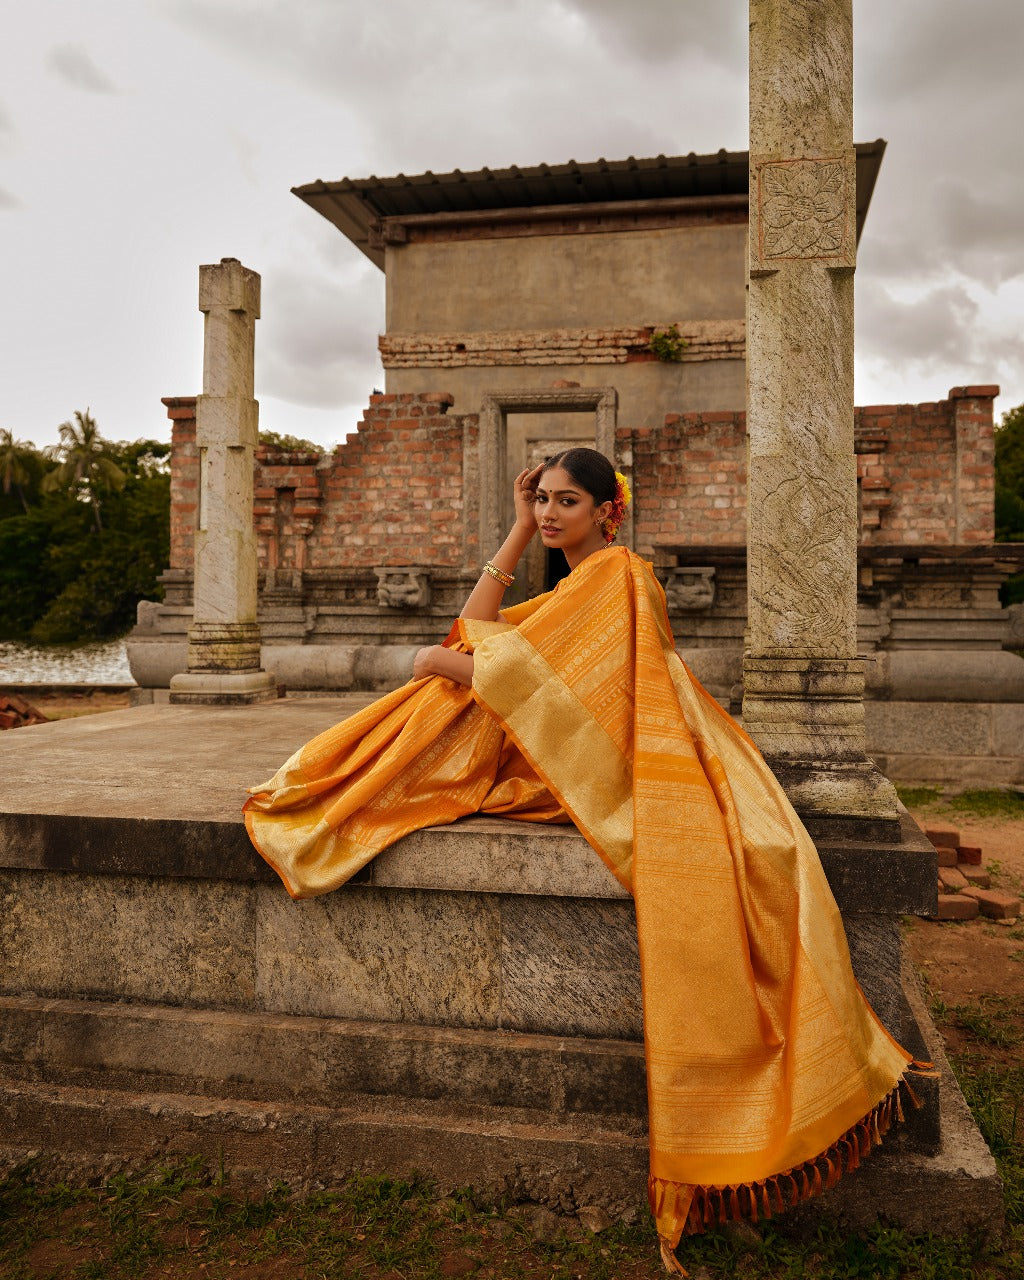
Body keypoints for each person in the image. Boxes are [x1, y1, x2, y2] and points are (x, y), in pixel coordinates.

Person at [244, 448, 922, 1276]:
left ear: (610, 509)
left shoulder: (620, 576)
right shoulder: (569, 584)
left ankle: (328, 795)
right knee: (441, 693)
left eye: (568, 501)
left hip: (637, 754)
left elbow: (538, 684)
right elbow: (483, 632)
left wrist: (444, 664)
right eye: (545, 500)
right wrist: (514, 532)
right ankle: (336, 788)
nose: (554, 512)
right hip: (586, 748)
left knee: (435, 688)